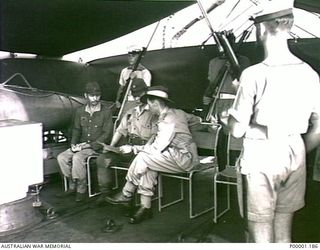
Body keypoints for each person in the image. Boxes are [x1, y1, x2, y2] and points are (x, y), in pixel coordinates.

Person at [225, 0, 320, 243]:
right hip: (295, 151)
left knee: (260, 226)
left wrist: (226, 113)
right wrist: (295, 149)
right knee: (283, 227)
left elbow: (236, 131)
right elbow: (318, 127)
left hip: (262, 154)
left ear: (262, 29)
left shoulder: (254, 74)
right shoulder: (310, 73)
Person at [105, 85, 201, 224]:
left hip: (184, 159)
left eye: (149, 105)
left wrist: (132, 149)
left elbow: (157, 148)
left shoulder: (167, 120)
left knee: (144, 157)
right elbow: (196, 120)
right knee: (148, 165)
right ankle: (145, 207)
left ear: (156, 103)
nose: (148, 108)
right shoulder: (178, 112)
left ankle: (126, 193)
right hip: (176, 155)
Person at [95, 78, 158, 204]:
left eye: (139, 95)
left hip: (143, 150)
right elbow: (120, 131)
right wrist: (111, 147)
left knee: (138, 166)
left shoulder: (153, 113)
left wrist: (143, 150)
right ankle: (105, 193)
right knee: (103, 159)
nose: (136, 98)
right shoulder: (130, 113)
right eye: (134, 95)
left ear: (146, 93)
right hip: (127, 148)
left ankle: (131, 200)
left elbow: (154, 136)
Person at [57, 81, 113, 202]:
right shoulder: (80, 111)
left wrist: (87, 145)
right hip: (81, 145)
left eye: (97, 95)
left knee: (77, 158)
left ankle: (81, 190)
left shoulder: (106, 112)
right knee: (62, 157)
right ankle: (72, 184)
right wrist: (73, 144)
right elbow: (76, 130)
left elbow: (107, 134)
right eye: (92, 95)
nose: (95, 98)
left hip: (95, 147)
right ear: (85, 95)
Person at [115, 45, 152, 115]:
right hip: (125, 101)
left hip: (138, 102)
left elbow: (146, 91)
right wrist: (117, 100)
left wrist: (135, 78)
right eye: (129, 56)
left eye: (133, 56)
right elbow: (121, 87)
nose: (130, 58)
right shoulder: (124, 71)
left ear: (139, 57)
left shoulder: (145, 72)